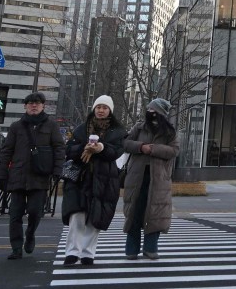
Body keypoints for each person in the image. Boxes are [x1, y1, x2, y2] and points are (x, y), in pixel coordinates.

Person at [0, 92, 65, 260]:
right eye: (30, 103)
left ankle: (30, 234)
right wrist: (1, 172)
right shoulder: (16, 127)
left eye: (37, 103)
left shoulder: (51, 126)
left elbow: (59, 149)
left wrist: (58, 170)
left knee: (35, 212)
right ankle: (16, 248)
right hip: (18, 175)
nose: (34, 105)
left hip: (40, 176)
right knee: (15, 214)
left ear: (43, 106)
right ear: (25, 106)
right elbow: (6, 151)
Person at [62, 95, 127, 266]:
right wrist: (83, 148)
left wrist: (101, 148)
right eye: (98, 107)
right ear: (94, 109)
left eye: (105, 108)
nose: (101, 110)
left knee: (95, 217)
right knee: (76, 215)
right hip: (80, 179)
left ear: (110, 111)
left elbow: (117, 152)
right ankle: (72, 252)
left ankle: (87, 253)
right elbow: (69, 149)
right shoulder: (81, 129)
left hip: (104, 179)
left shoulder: (118, 131)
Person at [122, 98, 180, 260]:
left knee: (155, 213)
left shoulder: (169, 132)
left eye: (153, 110)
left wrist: (153, 149)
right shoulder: (139, 127)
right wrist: (141, 147)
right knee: (134, 213)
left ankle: (150, 248)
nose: (150, 112)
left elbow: (174, 151)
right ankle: (131, 250)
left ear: (161, 113)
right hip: (137, 177)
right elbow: (125, 143)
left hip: (159, 179)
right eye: (149, 109)